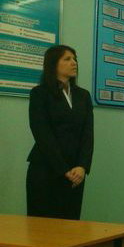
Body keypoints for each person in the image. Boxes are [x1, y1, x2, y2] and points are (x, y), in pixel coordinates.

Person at [27, 45, 94, 220]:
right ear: (53, 64)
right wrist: (63, 169)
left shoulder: (83, 96)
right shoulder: (40, 93)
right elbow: (42, 133)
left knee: (70, 225)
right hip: (46, 169)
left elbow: (88, 135)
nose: (74, 63)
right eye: (67, 59)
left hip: (76, 173)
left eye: (75, 59)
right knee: (43, 228)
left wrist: (82, 166)